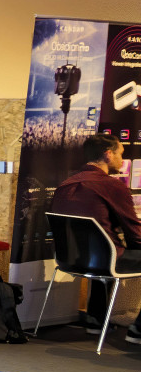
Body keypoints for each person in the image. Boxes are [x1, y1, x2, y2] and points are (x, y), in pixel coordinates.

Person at [50, 133, 141, 344]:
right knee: (110, 251)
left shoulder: (65, 185)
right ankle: (138, 330)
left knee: (103, 248)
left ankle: (95, 318)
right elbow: (134, 232)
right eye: (120, 154)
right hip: (104, 260)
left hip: (70, 260)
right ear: (108, 155)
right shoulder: (112, 185)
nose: (122, 160)